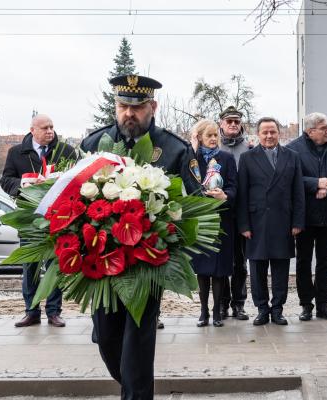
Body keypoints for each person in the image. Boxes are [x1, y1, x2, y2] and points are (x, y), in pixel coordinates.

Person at [80, 74, 200, 400]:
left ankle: (136, 395)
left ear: (152, 107)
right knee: (106, 337)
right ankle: (134, 388)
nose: (129, 114)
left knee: (138, 336)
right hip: (103, 259)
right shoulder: (94, 144)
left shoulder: (175, 149)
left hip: (149, 261)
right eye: (122, 106)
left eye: (137, 107)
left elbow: (193, 204)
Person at [1, 114, 77, 328]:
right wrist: (23, 184)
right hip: (30, 219)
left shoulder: (66, 151)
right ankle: (31, 312)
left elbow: (77, 180)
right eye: (45, 127)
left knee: (55, 266)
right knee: (30, 267)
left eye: (52, 127)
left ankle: (54, 312)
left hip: (58, 218)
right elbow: (5, 181)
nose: (50, 131)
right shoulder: (16, 153)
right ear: (32, 130)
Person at [237, 117, 305, 326]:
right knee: (256, 269)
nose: (269, 136)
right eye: (265, 132)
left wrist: (297, 222)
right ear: (258, 134)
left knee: (280, 268)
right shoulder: (248, 158)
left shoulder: (292, 157)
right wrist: (244, 225)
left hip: (283, 220)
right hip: (257, 222)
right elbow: (242, 194)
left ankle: (277, 309)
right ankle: (262, 309)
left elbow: (298, 192)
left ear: (279, 133)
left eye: (272, 132)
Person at [286, 112, 327, 321]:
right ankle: (306, 304)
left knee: (325, 261)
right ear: (310, 131)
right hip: (304, 216)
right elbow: (290, 178)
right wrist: (316, 183)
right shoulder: (294, 149)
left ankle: (323, 304)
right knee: (304, 262)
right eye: (324, 127)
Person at [189, 119, 237, 327]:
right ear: (199, 137)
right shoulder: (192, 159)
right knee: (202, 270)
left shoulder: (226, 158)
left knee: (219, 270)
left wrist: (224, 195)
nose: (213, 139)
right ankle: (203, 312)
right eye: (208, 135)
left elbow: (235, 187)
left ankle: (217, 311)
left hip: (221, 221)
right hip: (200, 221)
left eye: (215, 135)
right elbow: (186, 185)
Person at [217, 106, 252, 321]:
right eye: (228, 121)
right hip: (220, 212)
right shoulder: (213, 145)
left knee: (240, 261)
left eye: (236, 122)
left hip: (242, 211)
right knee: (221, 260)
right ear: (221, 123)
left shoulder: (248, 148)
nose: (232, 124)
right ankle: (221, 304)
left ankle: (239, 303)